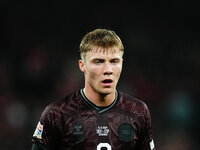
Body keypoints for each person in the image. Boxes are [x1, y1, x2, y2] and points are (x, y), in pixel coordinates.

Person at [31, 28, 156, 150]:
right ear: (82, 66)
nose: (108, 70)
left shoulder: (138, 112)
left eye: (114, 61)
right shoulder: (57, 114)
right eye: (98, 62)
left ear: (122, 63)